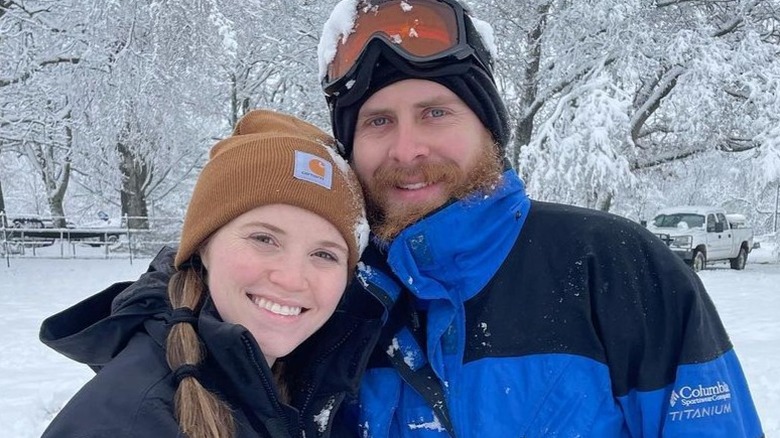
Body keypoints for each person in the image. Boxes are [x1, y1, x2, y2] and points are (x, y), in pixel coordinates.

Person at [316, 0, 764, 436]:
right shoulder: (323, 298)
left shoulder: (616, 268)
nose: (407, 149)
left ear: (488, 128)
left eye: (435, 113)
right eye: (378, 121)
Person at [38, 109, 383, 438]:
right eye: (264, 239)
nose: (292, 278)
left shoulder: (295, 386)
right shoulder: (122, 424)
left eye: (324, 254)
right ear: (203, 246)